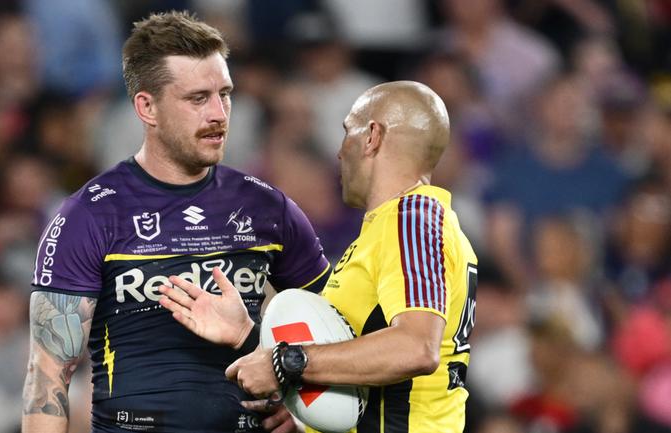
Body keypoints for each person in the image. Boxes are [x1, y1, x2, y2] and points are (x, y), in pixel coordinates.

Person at [21, 11, 331, 433]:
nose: (219, 114)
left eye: (226, 94)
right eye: (198, 98)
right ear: (146, 107)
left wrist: (299, 408)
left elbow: (335, 334)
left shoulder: (267, 208)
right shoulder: (90, 215)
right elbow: (48, 375)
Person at [159, 81, 478, 432]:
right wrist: (248, 336)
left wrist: (284, 364)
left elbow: (416, 347)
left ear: (372, 137)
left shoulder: (411, 218)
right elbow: (357, 360)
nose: (340, 152)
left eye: (347, 132)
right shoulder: (391, 228)